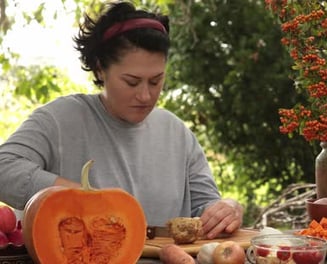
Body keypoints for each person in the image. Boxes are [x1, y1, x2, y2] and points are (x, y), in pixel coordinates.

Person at [0, 1, 242, 240]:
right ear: (99, 69)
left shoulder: (177, 133)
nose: (146, 95)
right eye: (131, 82)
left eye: (156, 81)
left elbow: (206, 209)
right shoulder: (59, 119)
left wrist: (227, 209)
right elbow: (4, 167)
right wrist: (78, 196)